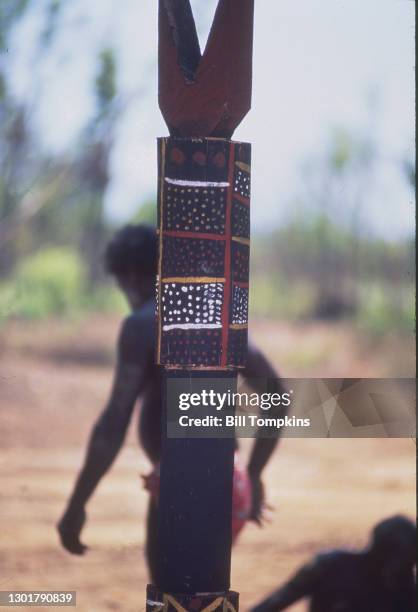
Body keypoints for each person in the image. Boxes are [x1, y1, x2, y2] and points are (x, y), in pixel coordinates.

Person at [57, 224, 287, 582]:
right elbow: (278, 397)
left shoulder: (142, 325)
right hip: (230, 485)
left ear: (130, 275)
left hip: (183, 488)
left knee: (174, 593)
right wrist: (254, 474)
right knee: (201, 589)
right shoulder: (218, 316)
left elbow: (113, 424)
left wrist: (77, 504)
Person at [250, 515, 416, 612]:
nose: (409, 569)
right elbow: (271, 605)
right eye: (406, 561)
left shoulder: (407, 590)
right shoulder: (329, 567)